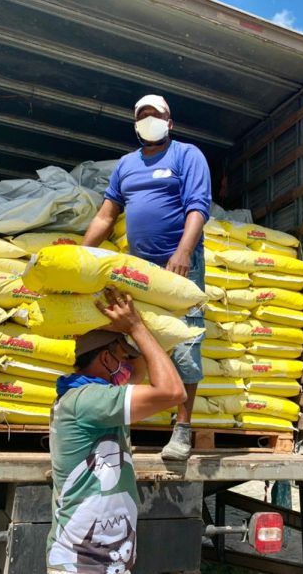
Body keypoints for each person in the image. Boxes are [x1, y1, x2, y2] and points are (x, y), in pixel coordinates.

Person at [82, 94, 211, 460]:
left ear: (170, 122)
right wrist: (81, 255)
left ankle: (182, 429)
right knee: (133, 340)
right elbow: (106, 216)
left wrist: (183, 252)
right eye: (142, 115)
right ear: (135, 123)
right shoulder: (126, 165)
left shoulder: (187, 155)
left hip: (181, 264)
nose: (149, 120)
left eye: (156, 115)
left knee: (186, 342)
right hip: (139, 269)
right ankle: (122, 422)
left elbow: (198, 207)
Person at [45, 286, 187, 574]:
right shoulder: (89, 401)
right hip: (82, 564)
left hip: (107, 561)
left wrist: (137, 334)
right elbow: (173, 392)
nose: (128, 364)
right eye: (123, 356)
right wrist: (135, 326)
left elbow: (140, 372)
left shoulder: (93, 396)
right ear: (106, 359)